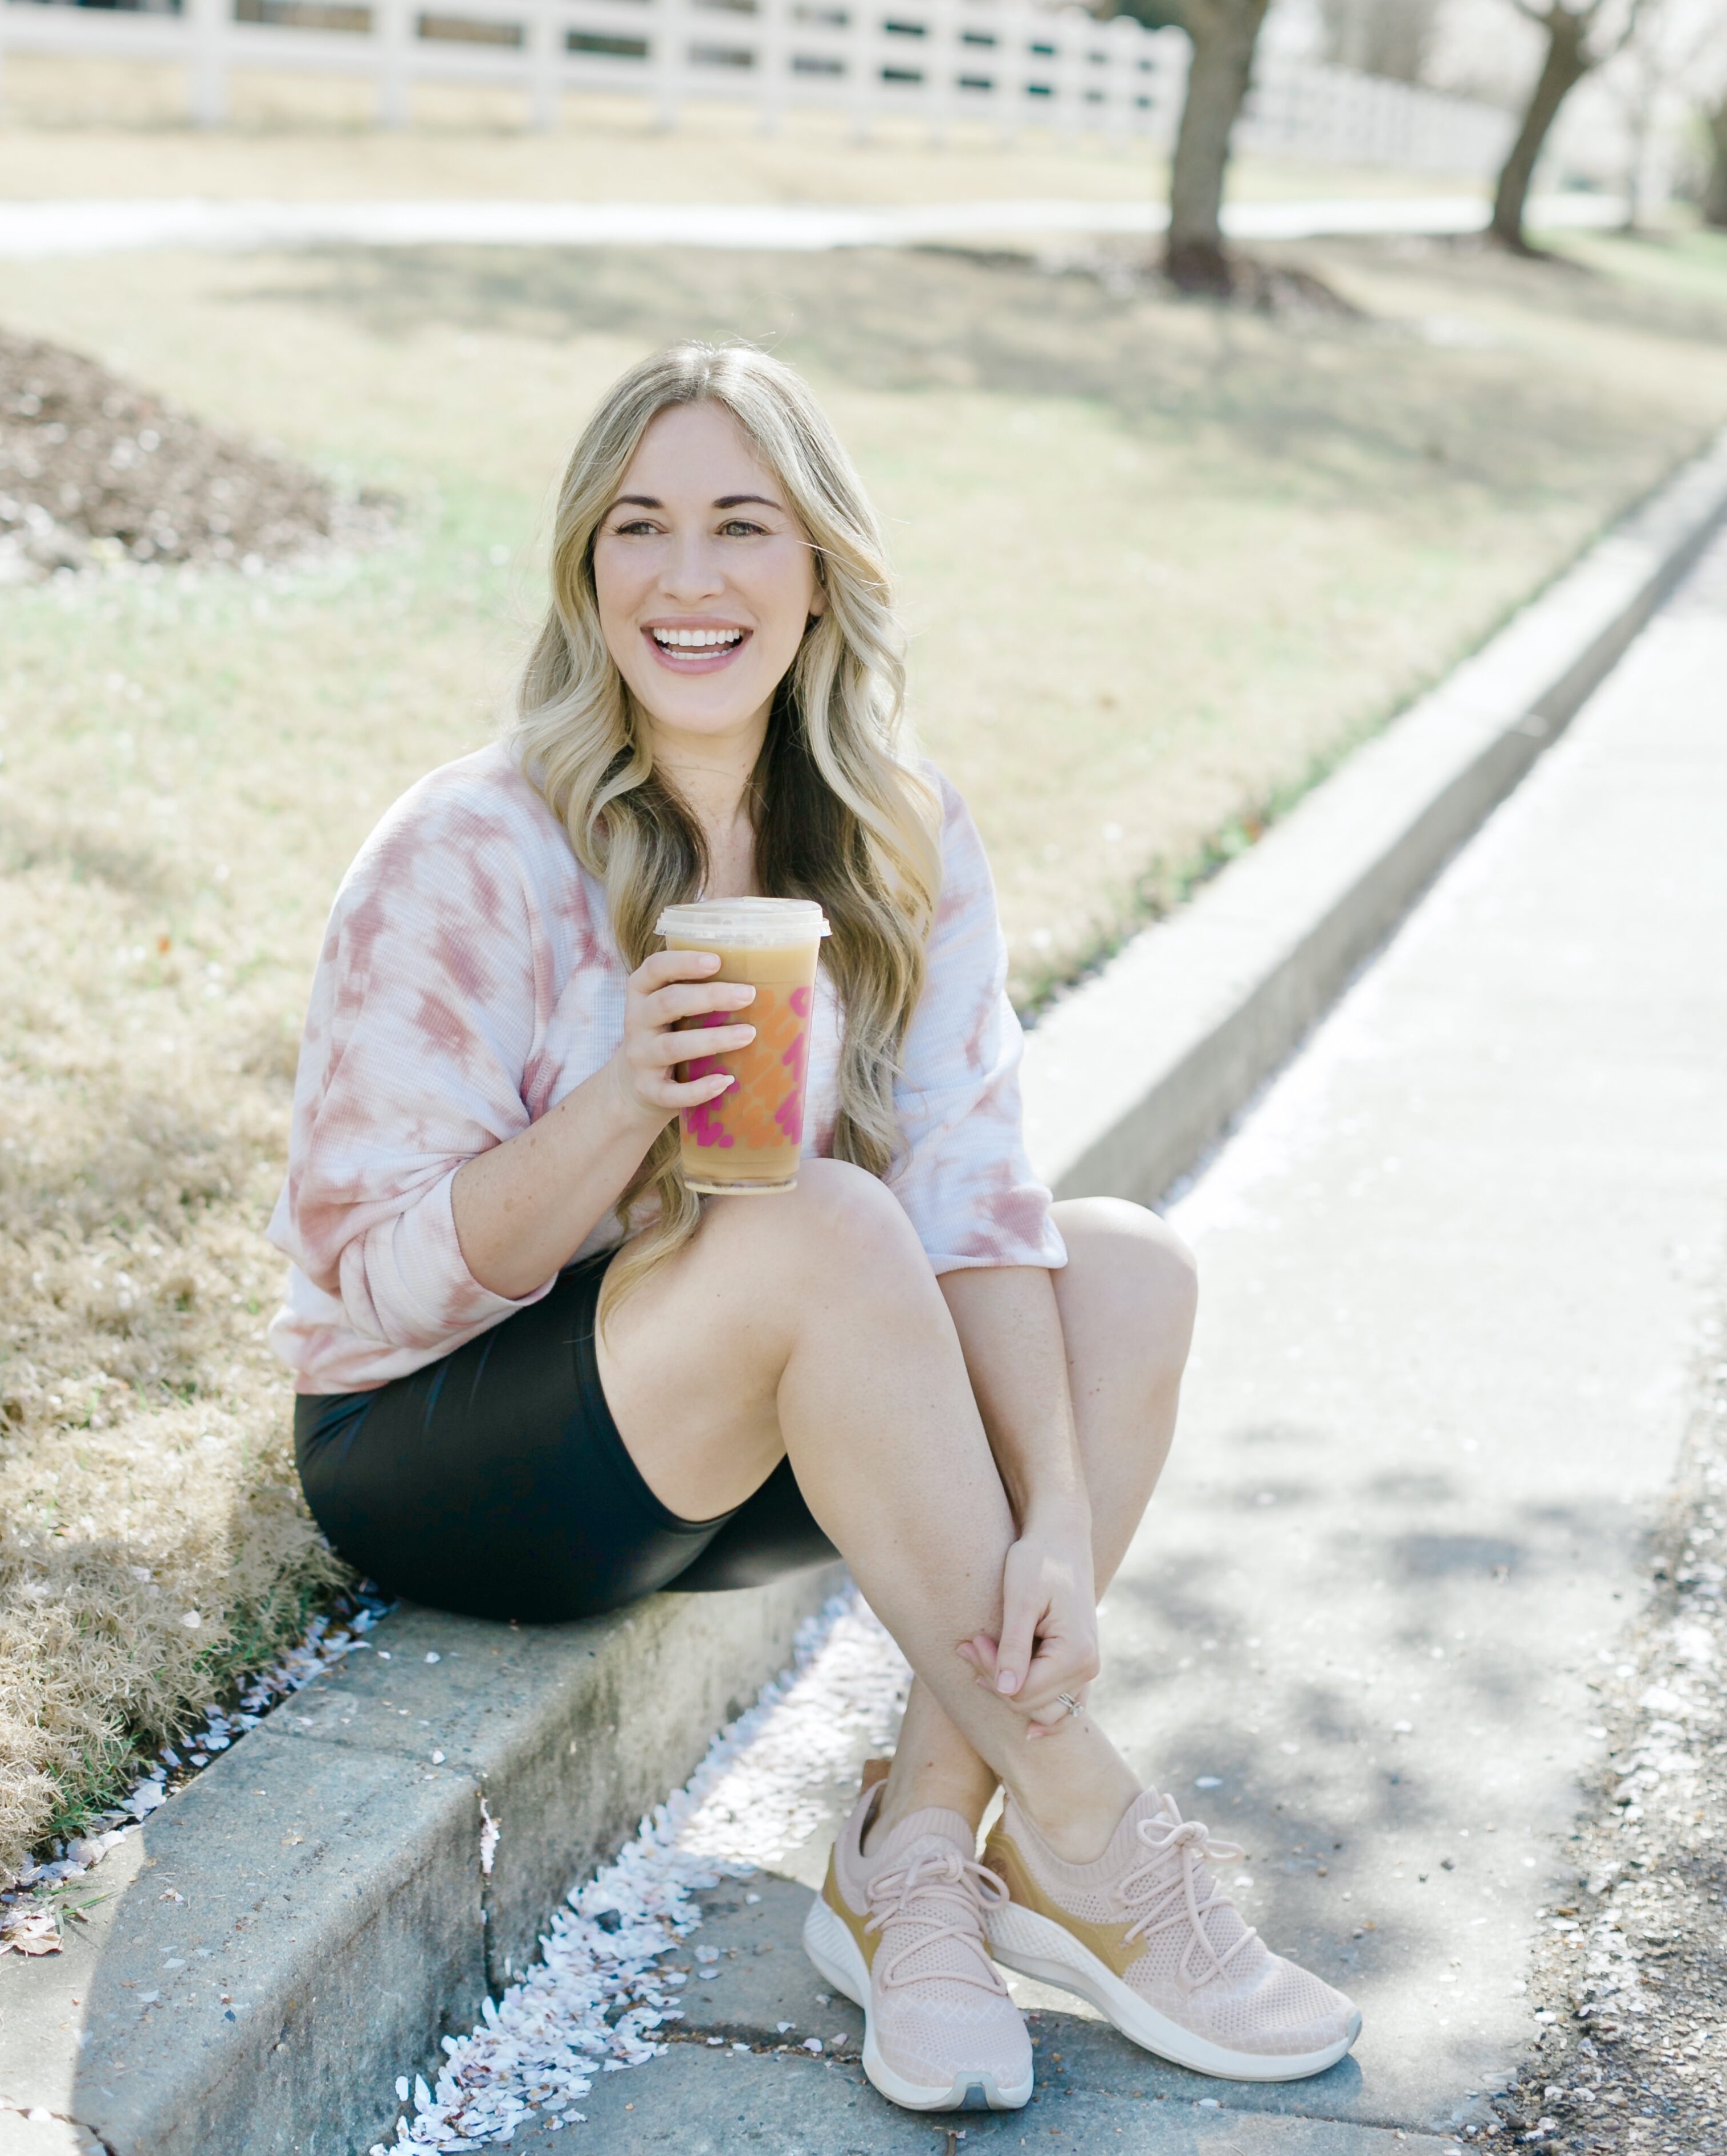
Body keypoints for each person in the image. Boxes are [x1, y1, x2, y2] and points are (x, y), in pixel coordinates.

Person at [268, 341, 1358, 2118]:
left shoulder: (896, 835)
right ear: (586, 573)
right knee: (821, 1224)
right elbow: (361, 1283)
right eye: (640, 529)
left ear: (820, 570)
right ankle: (1100, 1843)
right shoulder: (469, 848)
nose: (688, 579)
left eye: (738, 527)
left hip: (741, 1436)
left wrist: (1063, 1522)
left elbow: (979, 1194)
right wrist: (625, 1099)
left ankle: (917, 1860)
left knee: (1129, 1265)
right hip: (448, 1447)